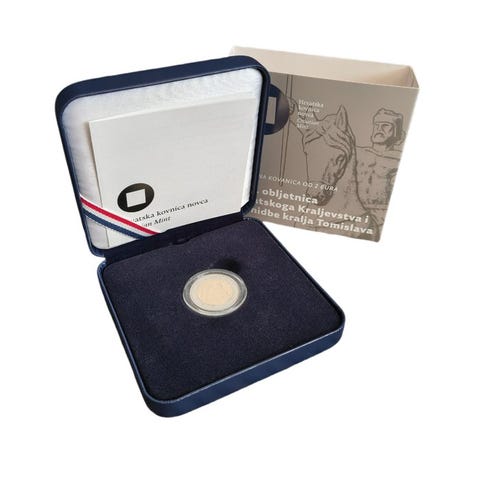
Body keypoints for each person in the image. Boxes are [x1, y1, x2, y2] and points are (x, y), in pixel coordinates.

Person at [356, 108, 405, 228]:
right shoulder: (357, 153)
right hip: (355, 212)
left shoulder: (398, 159)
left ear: (396, 132)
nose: (379, 129)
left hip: (382, 216)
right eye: (376, 125)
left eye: (385, 125)